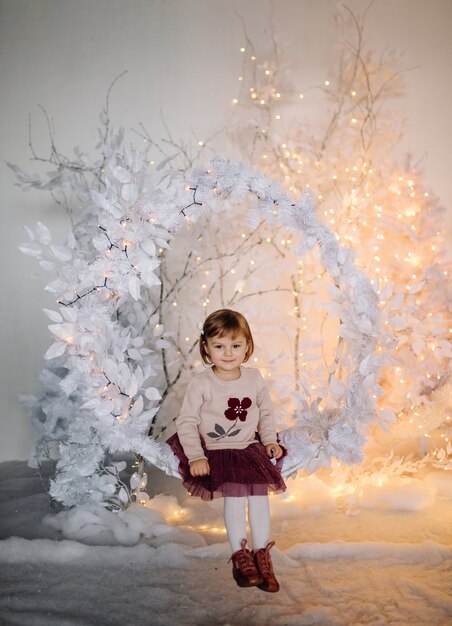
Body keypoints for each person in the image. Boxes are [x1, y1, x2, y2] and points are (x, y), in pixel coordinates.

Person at [167, 309, 286, 592]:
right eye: (219, 346)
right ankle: (240, 556)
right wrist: (196, 456)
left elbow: (266, 414)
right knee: (235, 498)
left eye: (236, 345)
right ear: (206, 348)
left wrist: (270, 440)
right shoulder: (202, 382)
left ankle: (262, 555)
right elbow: (187, 421)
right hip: (217, 451)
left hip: (248, 448)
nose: (228, 353)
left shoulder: (254, 378)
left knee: (258, 498)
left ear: (247, 346)